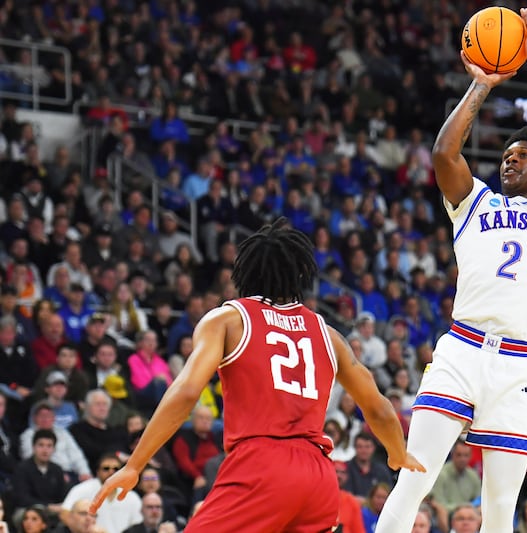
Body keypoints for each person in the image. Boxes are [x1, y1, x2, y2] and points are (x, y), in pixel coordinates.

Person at [376, 8, 527, 533]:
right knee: (414, 477)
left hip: (516, 366)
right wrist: (481, 84)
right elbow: (444, 151)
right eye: (506, 155)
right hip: (461, 349)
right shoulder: (474, 202)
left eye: (522, 157)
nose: (509, 162)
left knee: (499, 509)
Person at [89, 219, 423, 532]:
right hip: (320, 476)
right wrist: (397, 452)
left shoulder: (228, 319)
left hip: (262, 465)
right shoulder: (328, 334)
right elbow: (378, 408)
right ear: (299, 277)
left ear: (244, 273)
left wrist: (135, 464)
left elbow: (188, 391)